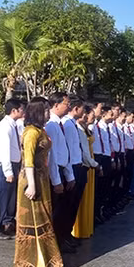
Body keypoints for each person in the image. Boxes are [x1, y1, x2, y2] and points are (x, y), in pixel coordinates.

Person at [13, 97, 64, 267]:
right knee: (31, 220)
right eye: (45, 111)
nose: (48, 114)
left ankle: (47, 259)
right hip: (31, 181)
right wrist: (32, 185)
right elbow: (28, 160)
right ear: (37, 113)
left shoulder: (40, 130)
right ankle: (29, 261)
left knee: (44, 218)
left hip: (42, 179)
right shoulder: (30, 133)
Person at [0, 98, 24, 240]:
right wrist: (8, 171)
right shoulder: (5, 127)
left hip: (12, 165)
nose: (23, 112)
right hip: (2, 166)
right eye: (21, 109)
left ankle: (5, 225)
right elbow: (4, 151)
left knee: (8, 199)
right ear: (14, 111)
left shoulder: (13, 125)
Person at [45, 92, 76, 254]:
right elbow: (53, 156)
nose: (68, 106)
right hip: (56, 173)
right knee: (57, 212)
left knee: (64, 210)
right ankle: (56, 242)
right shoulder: (51, 125)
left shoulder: (59, 124)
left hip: (63, 171)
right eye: (66, 103)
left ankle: (63, 238)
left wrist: (70, 175)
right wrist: (57, 180)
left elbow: (65, 152)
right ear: (56, 105)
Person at [61, 95, 88, 245]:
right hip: (72, 168)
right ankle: (63, 235)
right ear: (76, 109)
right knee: (68, 205)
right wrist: (70, 173)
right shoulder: (68, 125)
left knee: (74, 204)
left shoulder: (72, 124)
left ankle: (67, 234)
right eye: (82, 109)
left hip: (78, 166)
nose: (84, 112)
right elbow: (68, 151)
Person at [73, 104, 100, 239]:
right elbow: (84, 151)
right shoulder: (77, 128)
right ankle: (79, 229)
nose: (87, 116)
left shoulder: (86, 128)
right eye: (87, 113)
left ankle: (86, 226)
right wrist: (95, 164)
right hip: (86, 162)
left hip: (89, 162)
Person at [90, 103, 112, 223]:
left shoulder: (103, 127)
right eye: (99, 108)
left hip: (105, 156)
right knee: (98, 188)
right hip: (97, 157)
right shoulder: (93, 126)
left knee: (105, 186)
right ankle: (95, 214)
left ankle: (100, 210)